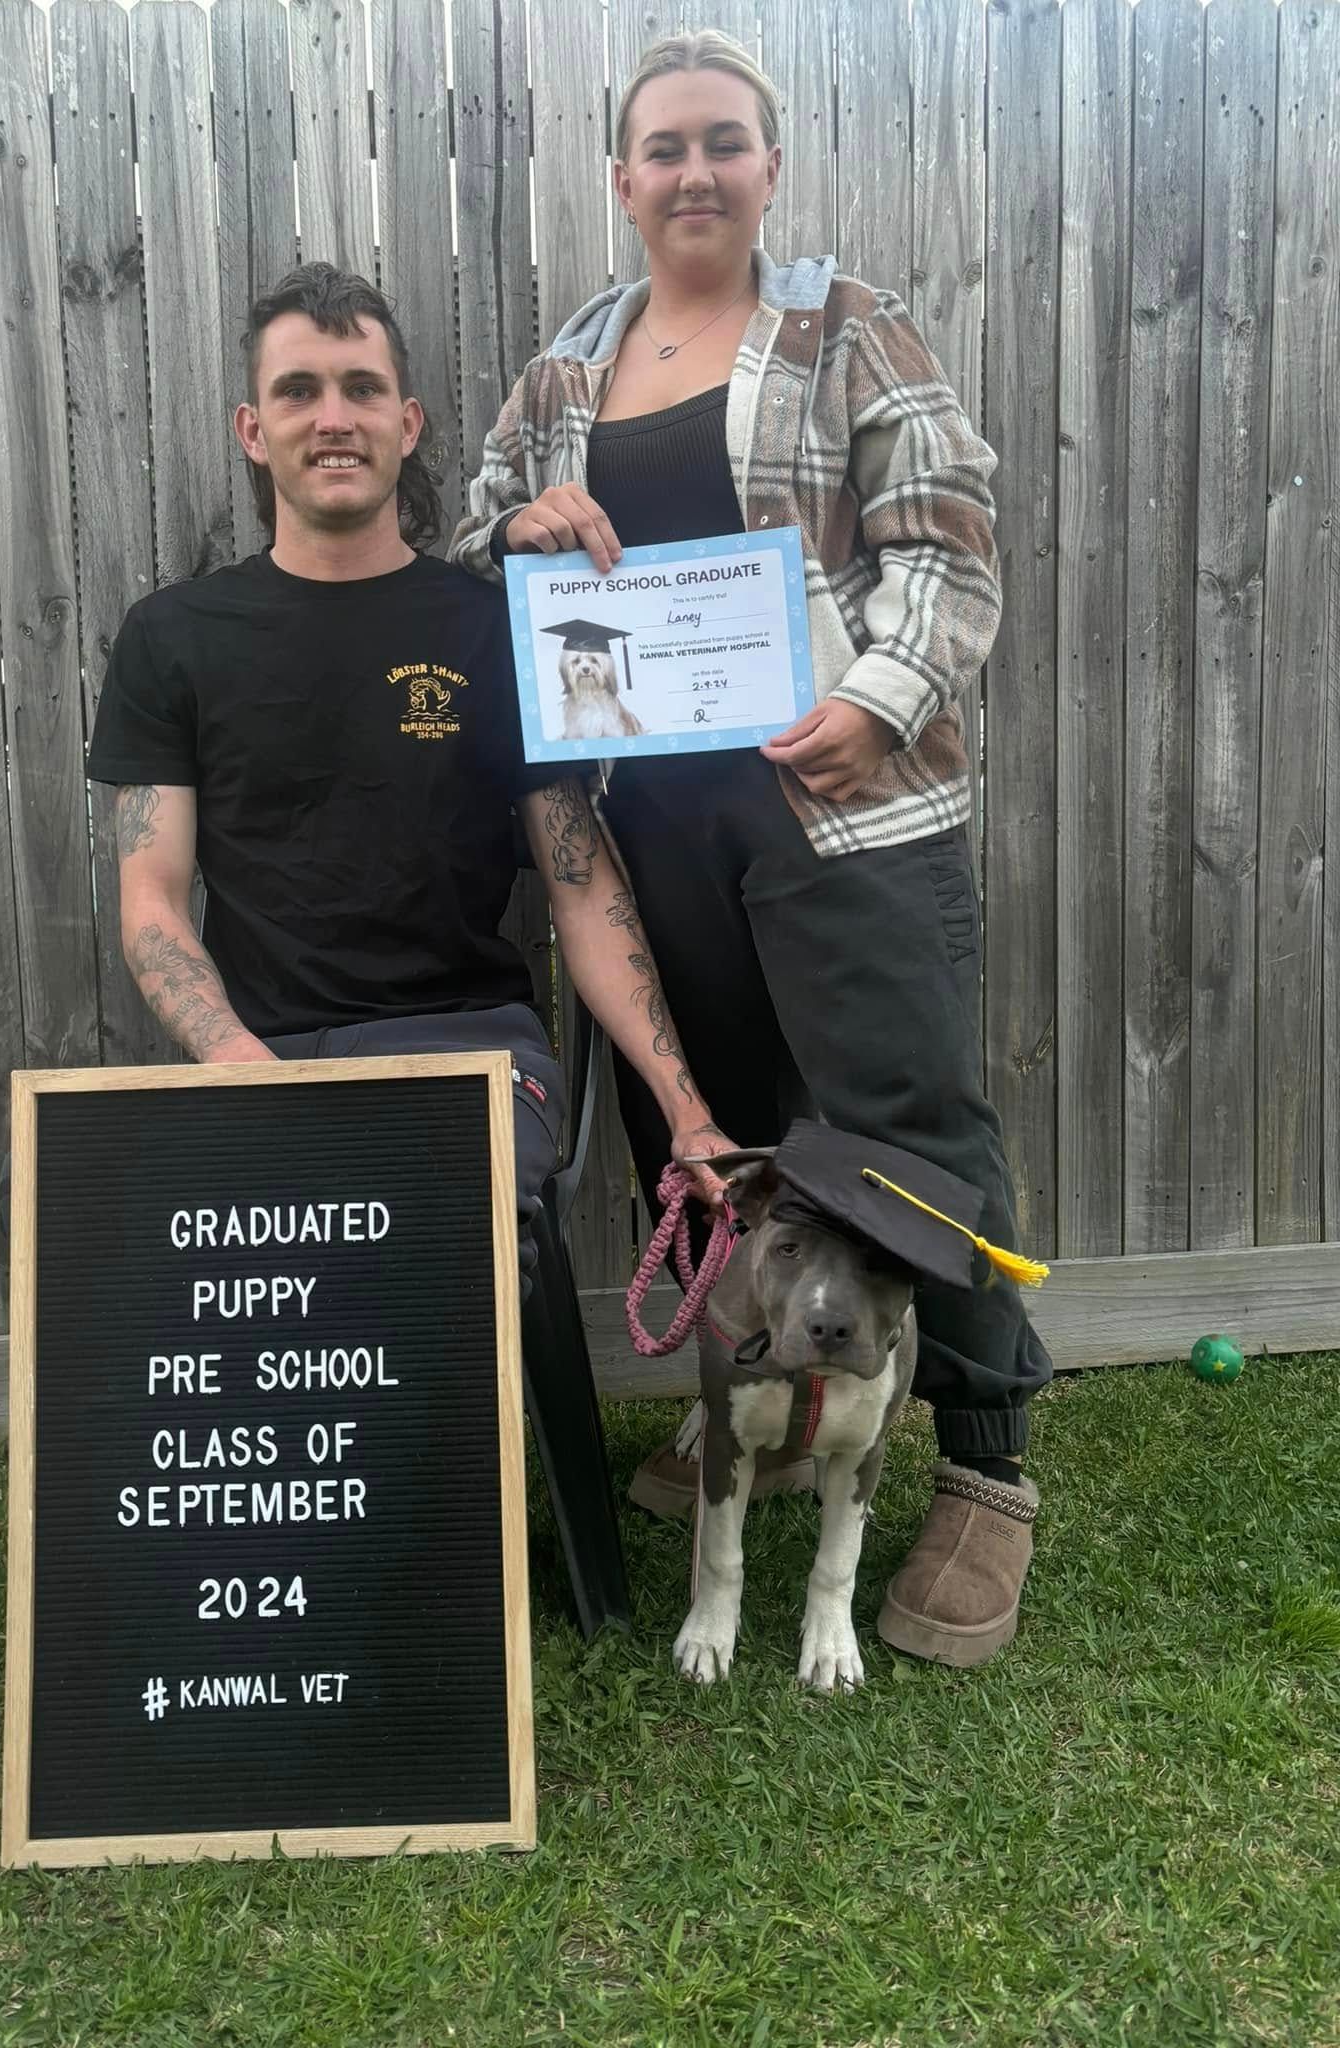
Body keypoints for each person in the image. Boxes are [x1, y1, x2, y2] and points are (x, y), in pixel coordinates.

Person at [450, 31, 1054, 1668]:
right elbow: (476, 542)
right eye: (665, 147)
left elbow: (950, 531)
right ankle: (762, 1408)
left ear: (768, 167)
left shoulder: (849, 328)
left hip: (845, 813)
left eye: (726, 141)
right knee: (705, 1142)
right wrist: (517, 525)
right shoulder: (567, 370)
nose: (695, 170)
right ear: (622, 180)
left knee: (915, 1137)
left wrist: (879, 695)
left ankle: (986, 1473)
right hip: (649, 842)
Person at [85, 262, 729, 1298]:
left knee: (419, 1238)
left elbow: (582, 883)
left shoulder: (492, 630)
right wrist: (238, 1063)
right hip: (262, 1055)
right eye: (299, 390)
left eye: (361, 387)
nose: (332, 417)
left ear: (408, 420)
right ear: (254, 430)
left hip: (471, 1052)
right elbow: (151, 901)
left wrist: (686, 1104)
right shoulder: (172, 639)